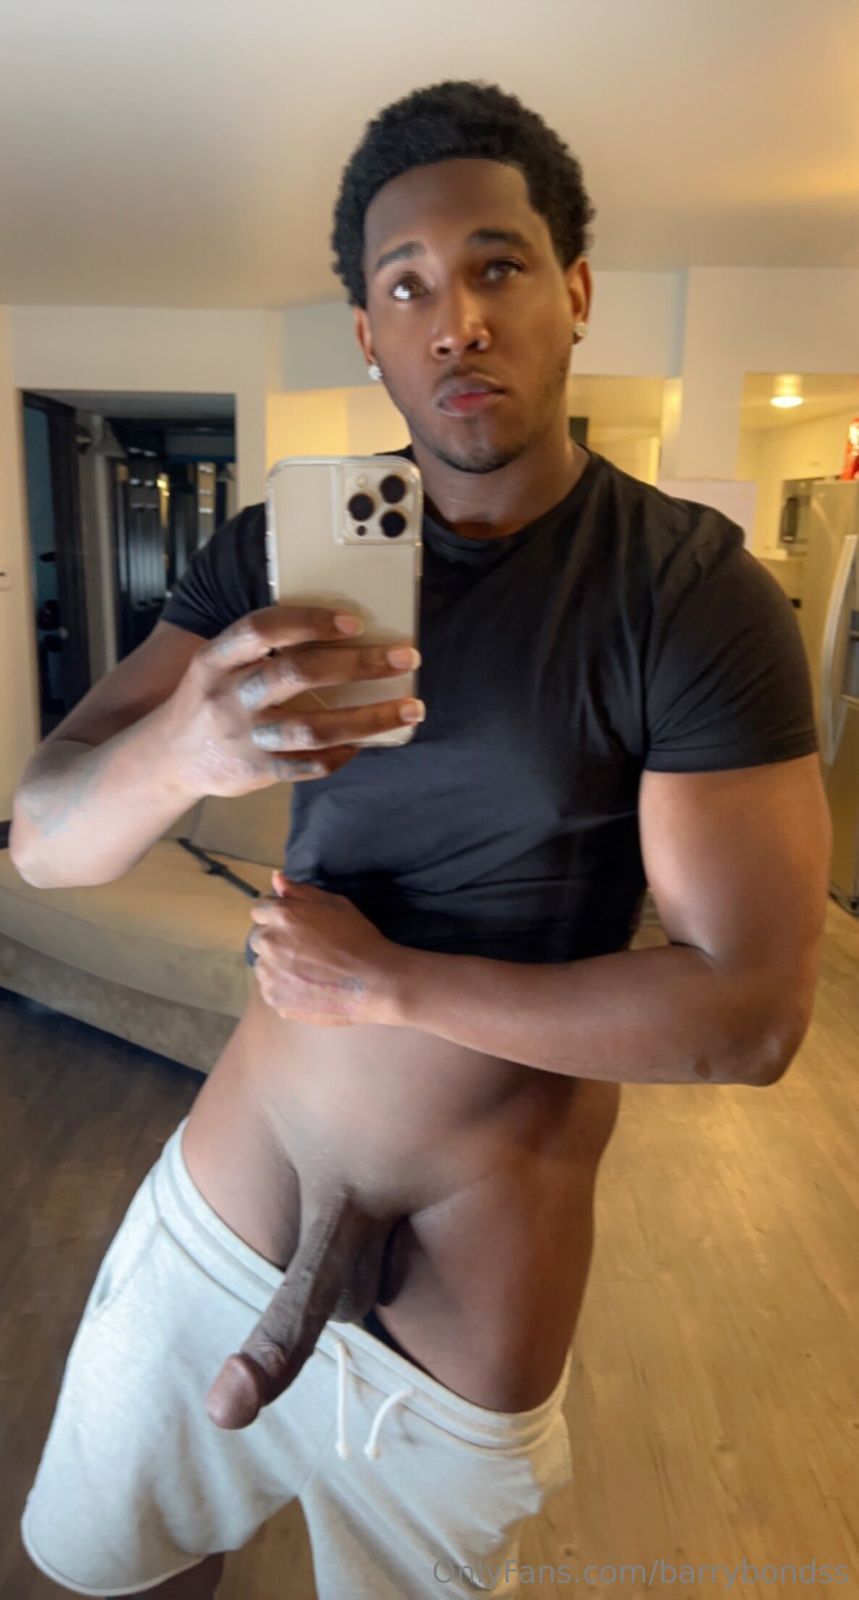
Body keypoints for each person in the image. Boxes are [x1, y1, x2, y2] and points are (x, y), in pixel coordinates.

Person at [13, 79, 830, 1600]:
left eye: (495, 266)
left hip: (471, 1283)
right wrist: (187, 747)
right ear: (366, 333)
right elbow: (48, 842)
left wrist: (390, 984)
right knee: (113, 1573)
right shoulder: (269, 553)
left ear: (574, 293)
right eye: (406, 287)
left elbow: (750, 1017)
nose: (453, 320)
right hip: (228, 1208)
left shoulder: (687, 594)